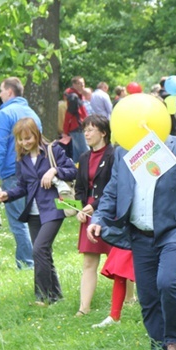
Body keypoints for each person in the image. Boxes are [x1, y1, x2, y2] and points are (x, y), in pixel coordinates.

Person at [87, 131, 176, 350]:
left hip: (174, 230)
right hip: (140, 234)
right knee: (147, 295)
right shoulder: (124, 150)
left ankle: (175, 339)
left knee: (166, 282)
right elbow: (112, 191)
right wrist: (97, 219)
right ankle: (158, 346)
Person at [0, 118, 78, 304]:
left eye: (28, 138)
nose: (24, 143)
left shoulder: (53, 150)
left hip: (54, 207)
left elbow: (72, 171)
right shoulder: (22, 160)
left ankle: (41, 296)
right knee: (44, 253)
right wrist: (7, 195)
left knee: (39, 250)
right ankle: (56, 296)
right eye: (20, 139)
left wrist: (54, 171)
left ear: (36, 135)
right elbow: (23, 187)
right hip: (33, 213)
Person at [0, 77, 40, 270]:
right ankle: (35, 259)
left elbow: (0, 145)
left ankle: (27, 264)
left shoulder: (5, 113)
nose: (0, 94)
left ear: (9, 92)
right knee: (32, 218)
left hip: (13, 173)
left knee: (19, 221)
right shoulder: (32, 113)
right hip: (34, 170)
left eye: (1, 90)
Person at [74, 115, 115, 316]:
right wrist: (81, 209)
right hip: (88, 212)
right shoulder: (83, 157)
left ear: (103, 132)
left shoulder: (114, 155)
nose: (86, 134)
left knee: (118, 258)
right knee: (89, 262)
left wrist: (96, 206)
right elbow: (80, 188)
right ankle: (84, 308)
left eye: (91, 130)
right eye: (85, 130)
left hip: (110, 212)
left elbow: (114, 187)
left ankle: (128, 299)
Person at [63, 76, 89, 163]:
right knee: (86, 152)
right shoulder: (74, 97)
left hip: (77, 127)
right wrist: (65, 131)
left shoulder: (77, 96)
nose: (82, 86)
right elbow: (68, 115)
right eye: (79, 84)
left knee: (77, 154)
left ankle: (76, 173)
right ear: (74, 85)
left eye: (83, 83)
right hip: (77, 127)